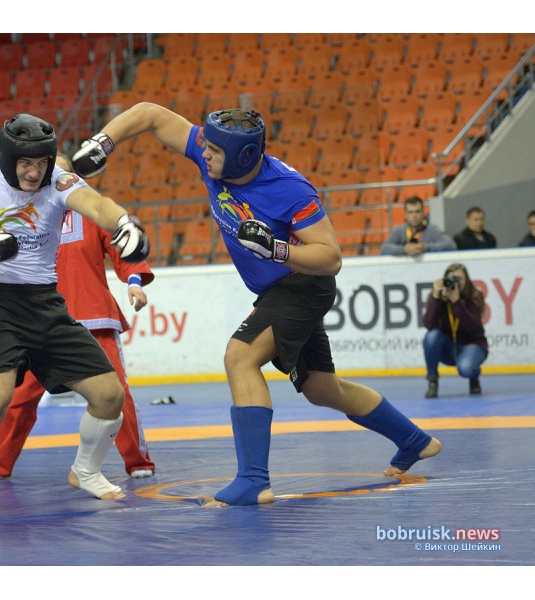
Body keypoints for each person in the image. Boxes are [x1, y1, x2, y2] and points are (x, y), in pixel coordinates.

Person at [71, 103, 441, 507]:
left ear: (242, 156)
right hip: (279, 289)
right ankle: (413, 439)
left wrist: (277, 248)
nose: (202, 153)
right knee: (320, 388)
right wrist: (103, 142)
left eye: (213, 150)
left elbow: (331, 257)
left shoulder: (290, 189)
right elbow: (151, 115)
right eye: (205, 146)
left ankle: (253, 480)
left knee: (240, 357)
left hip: (302, 285)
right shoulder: (212, 156)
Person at [0, 113, 150, 523]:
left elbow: (97, 205)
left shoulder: (58, 180)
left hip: (46, 304)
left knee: (109, 395)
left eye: (41, 163)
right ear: (7, 158)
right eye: (25, 163)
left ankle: (85, 471)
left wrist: (124, 222)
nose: (34, 173)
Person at [0, 154, 156, 480]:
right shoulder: (23, 218)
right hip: (41, 324)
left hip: (94, 320)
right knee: (19, 399)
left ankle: (138, 462)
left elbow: (125, 248)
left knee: (116, 394)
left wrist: (134, 281)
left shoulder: (94, 212)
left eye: (62, 173)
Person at [422, 263, 488, 398]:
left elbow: (473, 328)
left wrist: (456, 302)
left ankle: (473, 377)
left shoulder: (475, 296)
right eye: (452, 279)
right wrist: (436, 297)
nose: (456, 283)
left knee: (467, 368)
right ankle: (432, 380)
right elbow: (429, 324)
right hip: (448, 347)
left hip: (472, 345)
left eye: (459, 279)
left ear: (467, 280)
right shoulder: (438, 297)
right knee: (431, 336)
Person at [379, 196, 457, 256]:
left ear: (423, 213)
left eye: (417, 211)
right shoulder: (399, 230)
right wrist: (404, 249)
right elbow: (384, 249)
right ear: (405, 214)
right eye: (410, 212)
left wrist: (425, 247)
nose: (414, 216)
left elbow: (451, 245)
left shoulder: (432, 229)